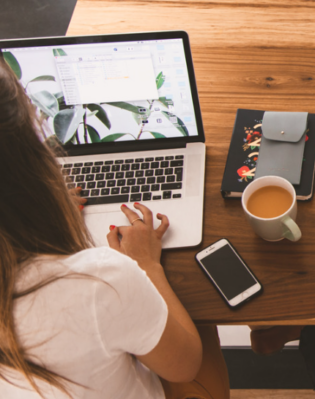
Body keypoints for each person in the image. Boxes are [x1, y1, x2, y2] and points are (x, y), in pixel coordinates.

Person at [0, 59, 229, 398]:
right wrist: (146, 265)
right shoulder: (98, 281)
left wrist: (51, 213)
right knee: (202, 308)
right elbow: (186, 365)